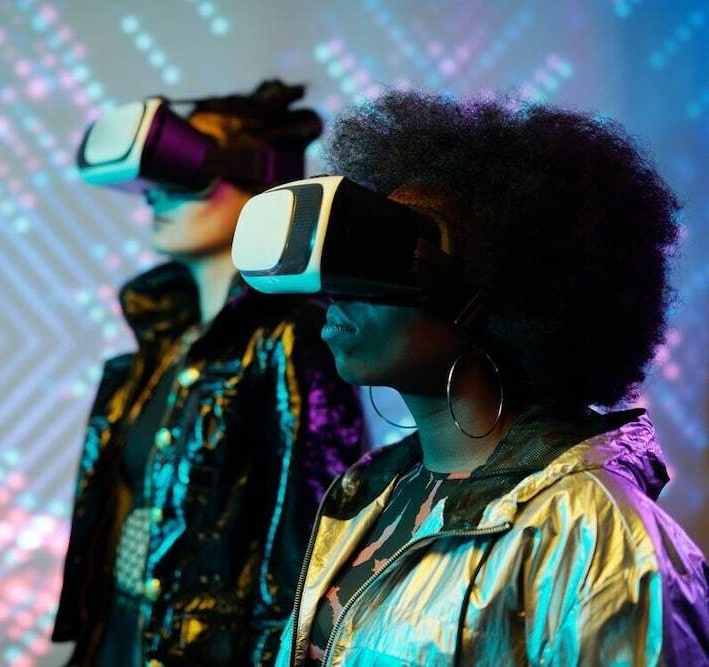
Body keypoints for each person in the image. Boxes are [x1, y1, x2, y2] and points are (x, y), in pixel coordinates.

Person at [257, 91, 709, 665]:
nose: (338, 289)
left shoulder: (598, 533)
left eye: (389, 253)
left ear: (495, 292)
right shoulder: (369, 494)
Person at [52, 81, 367, 666]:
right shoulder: (158, 350)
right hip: (116, 643)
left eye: (186, 174)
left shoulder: (290, 339)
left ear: (259, 187)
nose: (155, 195)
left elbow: (309, 540)